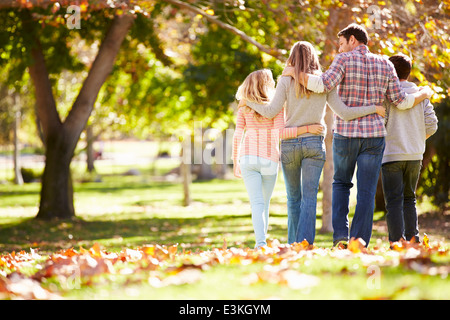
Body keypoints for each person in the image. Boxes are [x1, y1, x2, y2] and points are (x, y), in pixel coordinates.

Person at [283, 24, 433, 247]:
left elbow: (322, 84)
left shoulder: (343, 60)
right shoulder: (385, 64)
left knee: (341, 184)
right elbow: (400, 101)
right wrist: (423, 93)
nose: (341, 49)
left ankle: (341, 238)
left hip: (346, 134)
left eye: (342, 43)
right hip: (374, 136)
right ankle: (359, 240)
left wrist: (295, 72)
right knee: (367, 190)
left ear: (353, 40)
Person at [238, 42, 385, 245]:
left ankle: (292, 245)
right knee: (309, 199)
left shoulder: (286, 81)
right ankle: (304, 244)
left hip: (290, 144)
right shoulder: (324, 82)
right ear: (314, 58)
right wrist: (373, 108)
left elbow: (271, 112)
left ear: (293, 58)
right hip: (314, 144)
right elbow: (344, 113)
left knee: (293, 198)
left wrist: (248, 103)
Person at [232, 69, 323, 248]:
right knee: (264, 204)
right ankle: (261, 243)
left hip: (248, 158)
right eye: (271, 82)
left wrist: (235, 160)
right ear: (265, 85)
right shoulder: (277, 107)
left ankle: (260, 243)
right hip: (269, 160)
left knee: (257, 203)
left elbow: (237, 134)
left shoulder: (244, 106)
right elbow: (282, 134)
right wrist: (307, 129)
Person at [381, 53, 438, 244]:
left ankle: (397, 242)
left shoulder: (387, 95)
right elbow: (432, 125)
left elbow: (382, 122)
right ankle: (413, 240)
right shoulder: (420, 95)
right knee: (409, 199)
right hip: (414, 154)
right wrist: (415, 139)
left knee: (394, 202)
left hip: (391, 154)